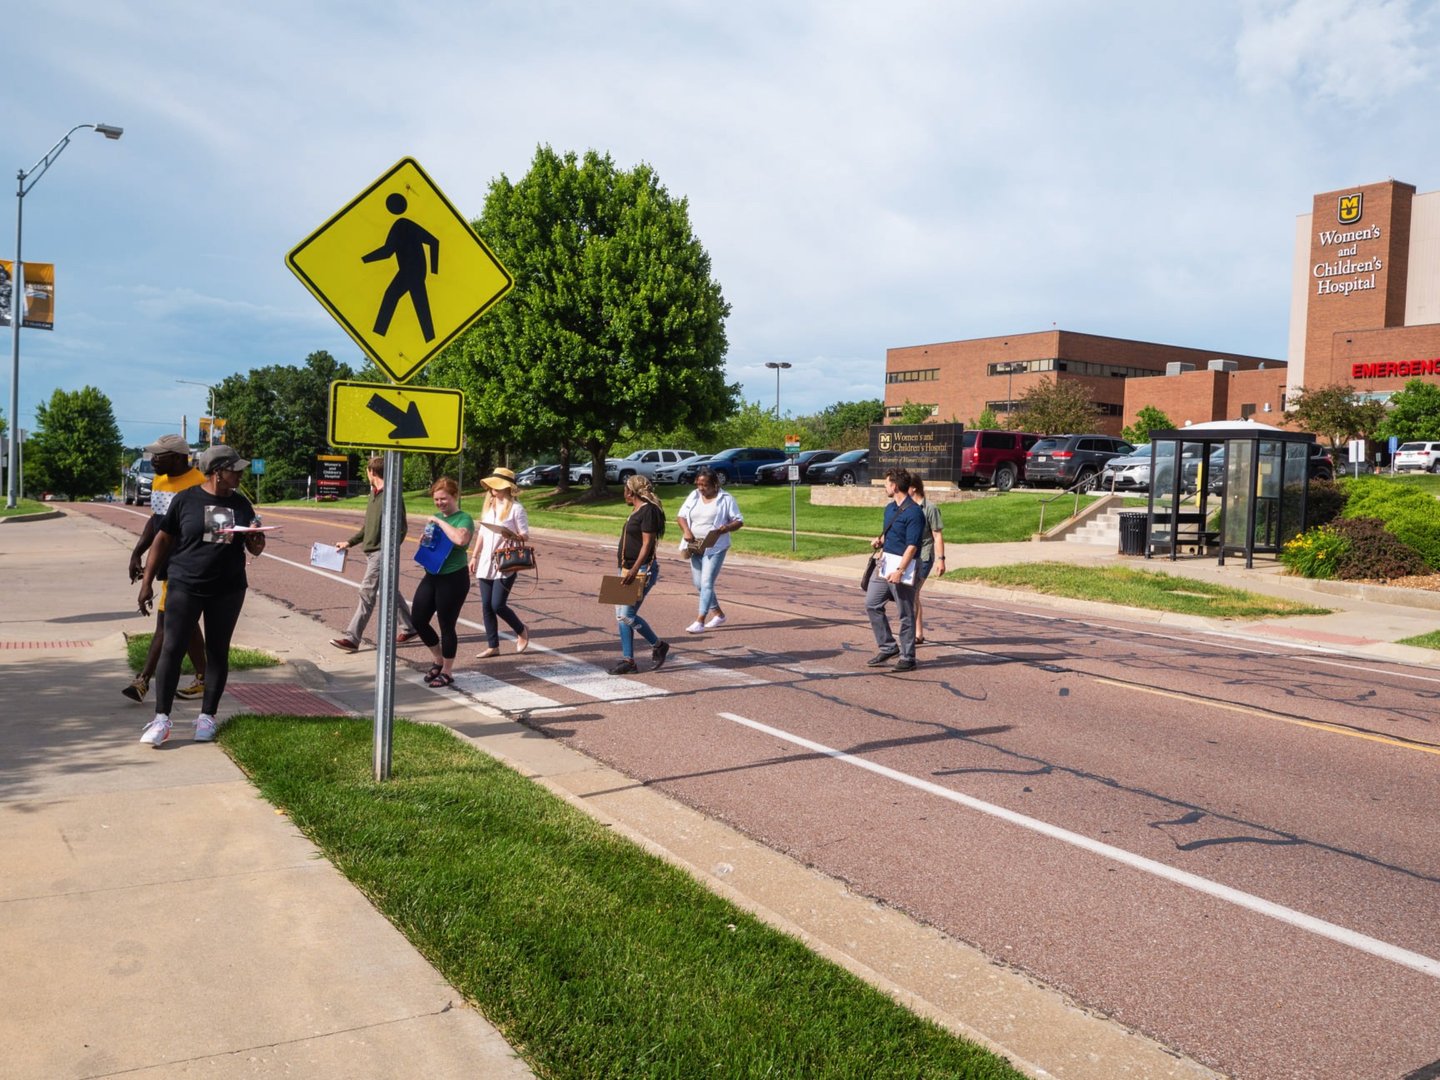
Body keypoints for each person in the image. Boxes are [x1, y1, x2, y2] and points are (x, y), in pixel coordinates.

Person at [135, 444, 267, 746]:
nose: (240, 474)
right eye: (235, 470)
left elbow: (255, 549)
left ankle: (207, 718)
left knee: (217, 651)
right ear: (218, 472)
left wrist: (257, 538)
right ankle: (161, 720)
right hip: (185, 585)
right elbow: (162, 540)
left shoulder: (241, 504)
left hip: (228, 588)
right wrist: (147, 581)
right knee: (172, 648)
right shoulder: (186, 500)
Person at [124, 434, 208, 703]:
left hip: (188, 565)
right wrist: (138, 553)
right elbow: (157, 523)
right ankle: (205, 678)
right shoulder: (160, 481)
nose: (153, 460)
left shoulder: (199, 485)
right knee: (187, 622)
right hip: (168, 563)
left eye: (159, 455)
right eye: (153, 455)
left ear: (179, 457)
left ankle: (143, 680)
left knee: (167, 622)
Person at [329, 455, 418, 652]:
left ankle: (352, 638)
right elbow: (367, 526)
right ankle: (410, 628)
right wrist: (349, 542)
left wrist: (389, 550)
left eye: (367, 471)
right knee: (390, 591)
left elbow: (401, 528)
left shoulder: (392, 495)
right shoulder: (374, 494)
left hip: (381, 553)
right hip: (371, 552)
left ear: (372, 472)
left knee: (366, 593)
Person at [410, 476, 473, 688]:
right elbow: (432, 542)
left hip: (454, 578)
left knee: (446, 625)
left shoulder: (464, 519)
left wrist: (439, 521)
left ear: (454, 496)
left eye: (443, 499)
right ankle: (437, 658)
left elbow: (460, 540)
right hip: (432, 575)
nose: (439, 504)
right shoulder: (435, 517)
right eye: (436, 500)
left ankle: (447, 670)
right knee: (418, 619)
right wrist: (425, 541)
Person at [864, 468, 924, 673]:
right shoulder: (890, 509)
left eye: (887, 484)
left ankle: (908, 657)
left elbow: (912, 546)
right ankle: (888, 647)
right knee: (872, 603)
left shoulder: (915, 512)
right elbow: (893, 536)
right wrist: (880, 541)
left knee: (905, 613)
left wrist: (900, 570)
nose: (885, 487)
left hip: (904, 568)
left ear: (895, 486)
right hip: (884, 564)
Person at [469, 466, 530, 658]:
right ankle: (492, 645)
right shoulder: (489, 506)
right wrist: (474, 556)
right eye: (492, 486)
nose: (493, 489)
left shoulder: (516, 509)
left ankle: (521, 630)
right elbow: (482, 534)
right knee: (486, 605)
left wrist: (511, 535)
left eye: (497, 485)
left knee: (498, 604)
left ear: (507, 487)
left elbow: (525, 536)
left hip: (506, 562)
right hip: (487, 560)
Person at [611, 475, 670, 675]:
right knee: (621, 616)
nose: (623, 495)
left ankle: (658, 645)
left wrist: (635, 570)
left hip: (641, 569)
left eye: (625, 491)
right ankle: (628, 660)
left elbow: (647, 545)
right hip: (626, 569)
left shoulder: (649, 511)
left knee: (627, 615)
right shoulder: (636, 510)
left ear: (632, 492)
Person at [676, 467, 744, 633]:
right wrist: (686, 531)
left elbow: (739, 521)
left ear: (715, 484)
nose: (701, 488)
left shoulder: (726, 499)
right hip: (695, 544)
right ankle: (719, 615)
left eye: (704, 485)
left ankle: (700, 620)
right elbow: (681, 516)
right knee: (699, 584)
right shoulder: (693, 496)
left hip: (715, 546)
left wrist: (725, 528)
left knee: (707, 583)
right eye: (698, 484)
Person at [907, 476, 946, 645]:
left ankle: (910, 634)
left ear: (913, 488)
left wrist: (941, 560)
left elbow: (937, 536)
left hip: (924, 557)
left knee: (913, 593)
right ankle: (918, 633)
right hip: (909, 557)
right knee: (912, 595)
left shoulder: (930, 508)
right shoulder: (907, 508)